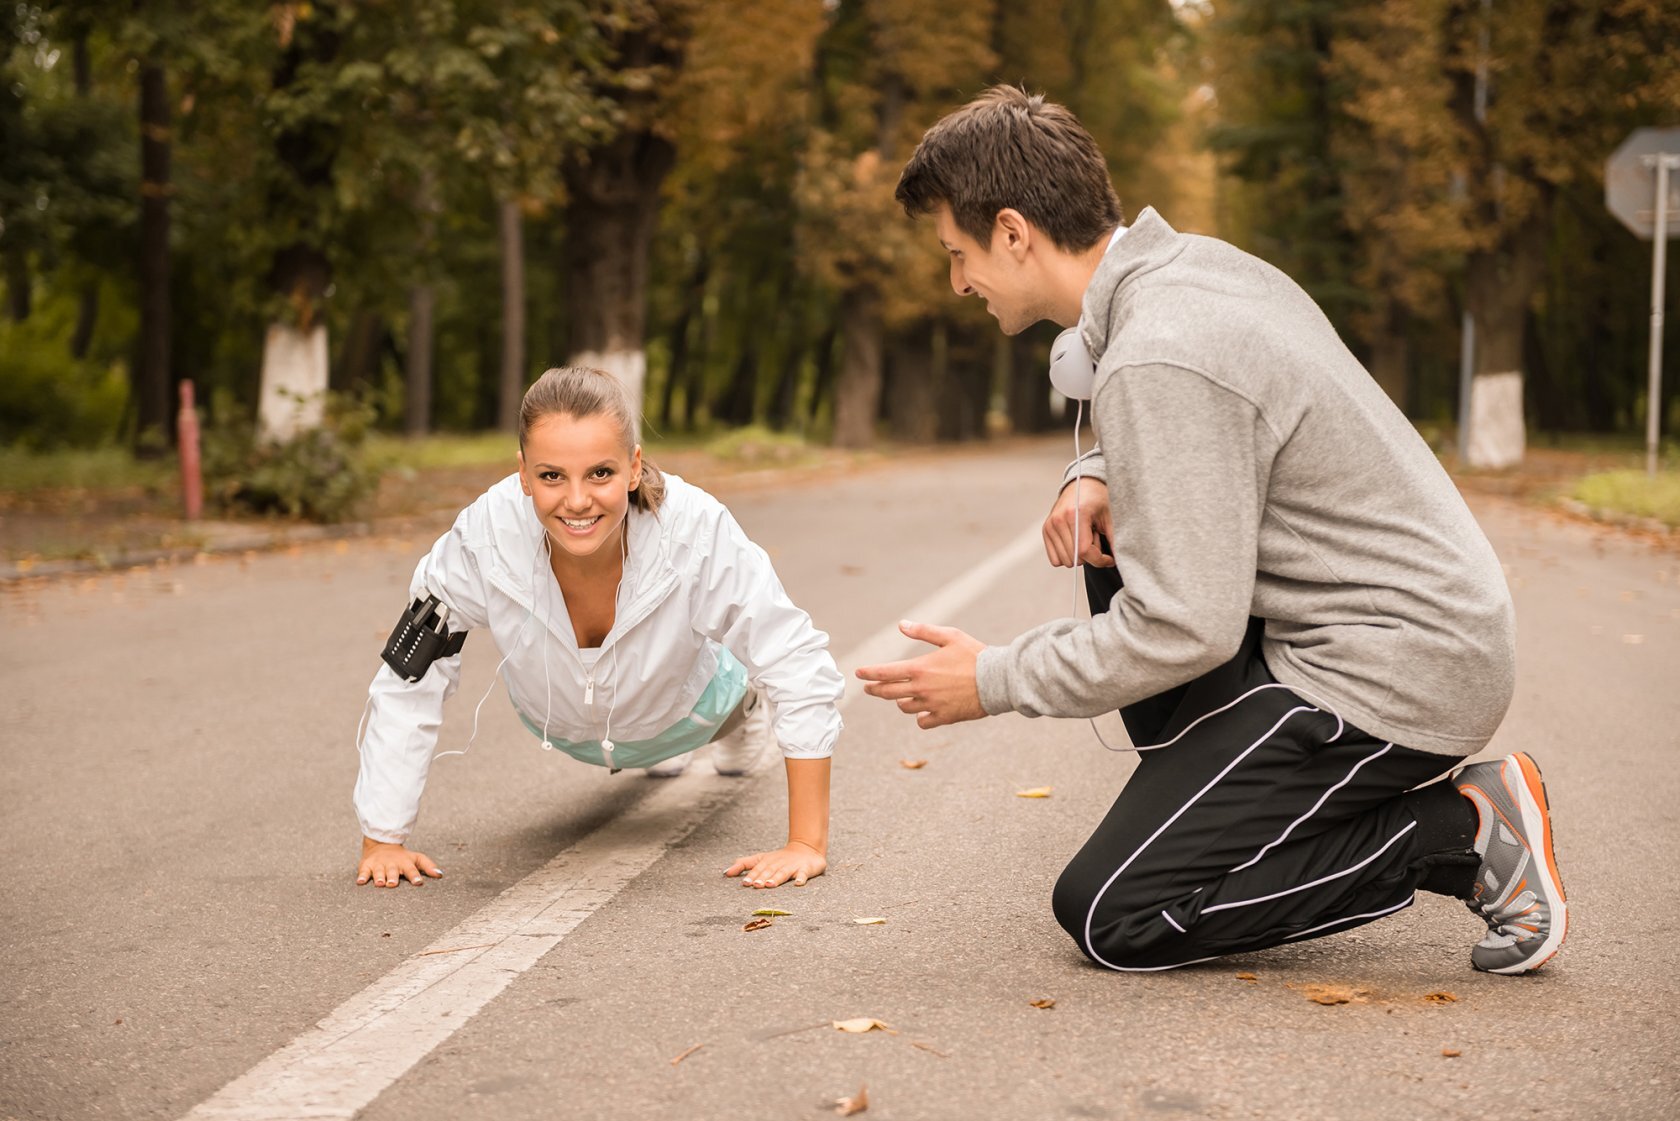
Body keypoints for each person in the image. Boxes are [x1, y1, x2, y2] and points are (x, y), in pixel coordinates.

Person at [857, 86, 1566, 975]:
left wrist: (993, 677)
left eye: (957, 254)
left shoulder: (1157, 352)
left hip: (1400, 667)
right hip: (1405, 626)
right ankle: (1218, 794)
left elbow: (1188, 626)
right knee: (1110, 548)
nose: (956, 281)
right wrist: (1099, 470)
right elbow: (1237, 410)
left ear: (1012, 231)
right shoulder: (1198, 271)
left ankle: (1461, 830)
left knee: (1115, 909)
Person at [354, 366, 841, 892]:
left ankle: (742, 719)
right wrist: (383, 836)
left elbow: (796, 662)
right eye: (551, 476)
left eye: (600, 474)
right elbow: (412, 673)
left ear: (634, 466)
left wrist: (805, 843)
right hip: (562, 725)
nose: (578, 501)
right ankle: (666, 745)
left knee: (742, 668)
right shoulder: (483, 535)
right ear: (522, 473)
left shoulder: (695, 529)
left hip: (690, 713)